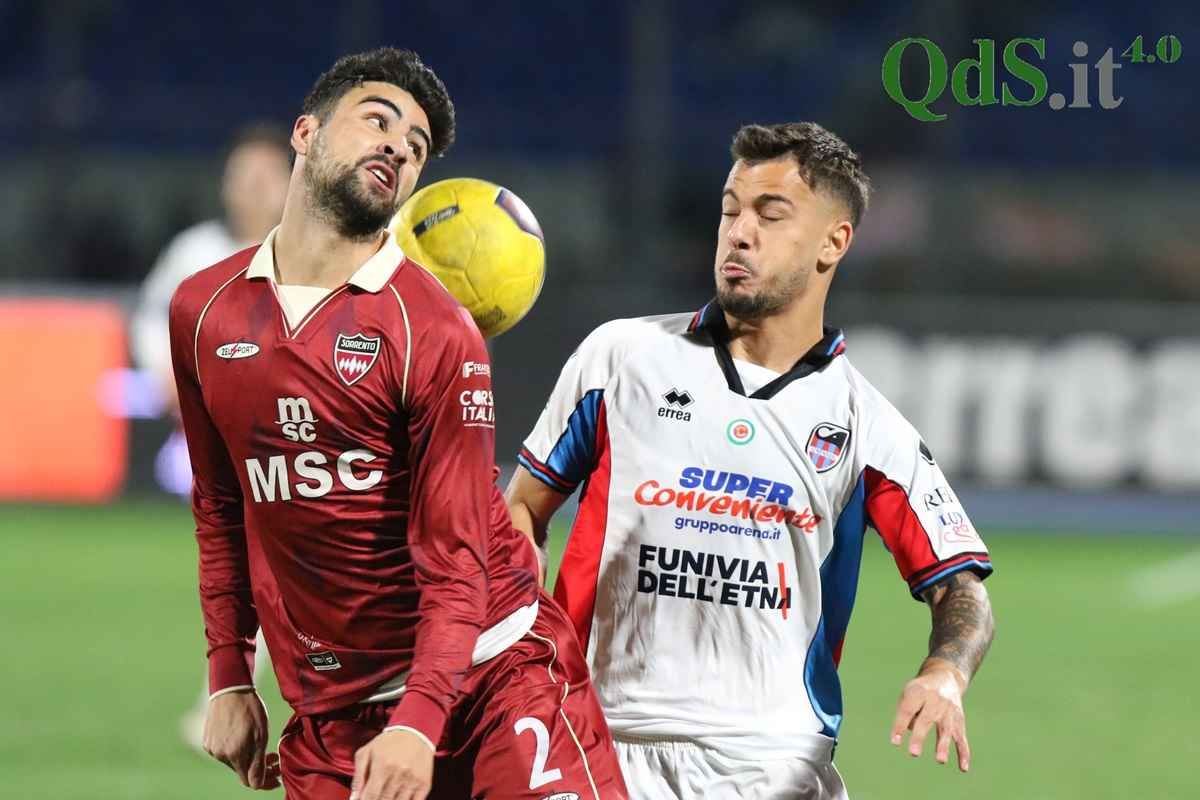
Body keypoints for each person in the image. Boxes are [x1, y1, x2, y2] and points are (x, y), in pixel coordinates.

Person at [167, 48, 627, 800]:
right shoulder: (202, 310)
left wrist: (417, 722)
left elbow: (457, 558)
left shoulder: (433, 329)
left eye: (415, 147)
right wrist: (229, 676)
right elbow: (221, 507)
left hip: (491, 677)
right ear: (306, 132)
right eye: (377, 122)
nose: (398, 148)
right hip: (333, 714)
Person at [506, 121, 996, 799]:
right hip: (596, 744)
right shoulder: (619, 359)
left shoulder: (867, 425)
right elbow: (522, 510)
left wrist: (945, 673)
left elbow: (962, 587)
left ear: (834, 242)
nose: (738, 233)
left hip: (772, 765)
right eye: (730, 210)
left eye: (770, 214)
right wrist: (516, 637)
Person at [130, 122, 291, 749]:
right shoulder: (194, 251)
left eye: (265, 176)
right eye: (242, 175)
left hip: (287, 444)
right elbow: (152, 318)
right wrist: (164, 373)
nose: (252, 187)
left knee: (266, 569)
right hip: (214, 442)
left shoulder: (307, 254)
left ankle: (226, 700)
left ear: (290, 184)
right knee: (247, 569)